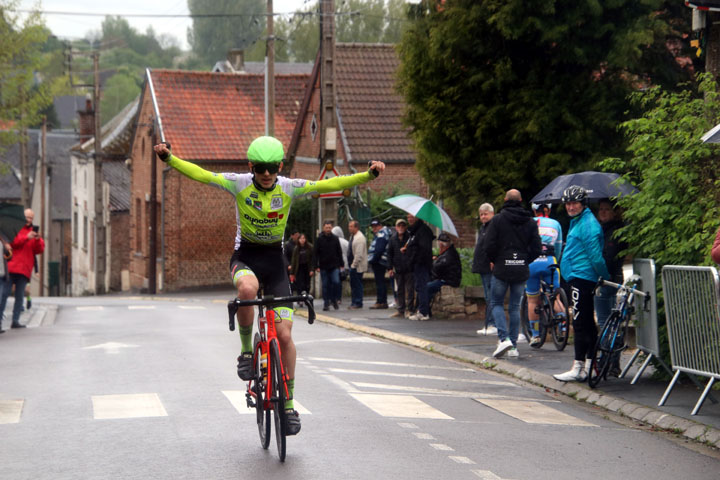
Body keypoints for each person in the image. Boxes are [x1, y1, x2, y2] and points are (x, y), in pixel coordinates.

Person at [153, 137, 385, 435]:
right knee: (247, 292)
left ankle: (287, 405)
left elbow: (325, 186)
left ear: (279, 167)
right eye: (260, 168)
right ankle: (247, 352)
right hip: (245, 258)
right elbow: (204, 175)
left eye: (272, 168)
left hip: (275, 263)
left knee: (285, 336)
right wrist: (170, 159)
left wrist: (369, 175)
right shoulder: (239, 184)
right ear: (251, 167)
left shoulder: (288, 187)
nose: (266, 174)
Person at [553, 186, 610, 382]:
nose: (570, 207)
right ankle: (589, 365)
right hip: (578, 276)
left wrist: (604, 276)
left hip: (583, 277)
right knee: (587, 323)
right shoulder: (578, 221)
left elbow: (595, 257)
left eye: (574, 203)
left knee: (579, 323)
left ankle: (578, 367)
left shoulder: (587, 225)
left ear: (583, 204)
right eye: (568, 203)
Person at [484, 189, 542, 359]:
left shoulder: (498, 220)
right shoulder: (530, 222)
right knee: (515, 307)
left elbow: (488, 245)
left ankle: (504, 339)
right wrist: (524, 259)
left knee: (496, 303)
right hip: (520, 268)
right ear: (521, 200)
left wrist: (496, 259)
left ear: (505, 200)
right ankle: (513, 347)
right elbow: (537, 248)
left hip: (502, 268)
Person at [526, 203, 564, 347]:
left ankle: (535, 335)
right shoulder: (556, 223)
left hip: (532, 262)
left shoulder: (529, 223)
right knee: (555, 297)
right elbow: (559, 246)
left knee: (532, 301)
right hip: (550, 261)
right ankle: (563, 328)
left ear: (535, 211)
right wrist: (556, 260)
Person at [0, 208, 45, 331]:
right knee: (4, 294)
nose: (28, 220)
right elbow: (12, 243)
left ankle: (15, 320)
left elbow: (39, 250)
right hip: (11, 267)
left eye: (31, 218)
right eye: (27, 217)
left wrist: (37, 240)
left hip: (24, 269)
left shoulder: (32, 231)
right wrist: (26, 237)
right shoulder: (15, 228)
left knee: (20, 296)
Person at [594, 199, 628, 329]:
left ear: (615, 212)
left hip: (609, 279)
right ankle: (612, 346)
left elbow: (609, 257)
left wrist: (600, 271)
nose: (602, 212)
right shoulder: (604, 229)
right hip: (610, 278)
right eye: (601, 209)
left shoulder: (615, 231)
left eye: (607, 209)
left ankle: (607, 348)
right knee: (610, 319)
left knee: (604, 320)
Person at [404, 214, 435, 321]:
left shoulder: (423, 231)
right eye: (408, 217)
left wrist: (415, 259)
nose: (409, 219)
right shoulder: (414, 231)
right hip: (416, 264)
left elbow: (423, 249)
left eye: (412, 217)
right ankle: (422, 310)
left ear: (418, 217)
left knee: (422, 287)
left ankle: (424, 312)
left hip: (421, 264)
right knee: (419, 287)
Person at [472, 203, 497, 335]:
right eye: (481, 214)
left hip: (489, 266)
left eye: (485, 214)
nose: (483, 216)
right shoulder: (484, 228)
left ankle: (492, 324)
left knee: (491, 296)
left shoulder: (492, 227)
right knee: (488, 295)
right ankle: (489, 323)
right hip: (483, 266)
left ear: (492, 214)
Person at [314, 220, 344, 312]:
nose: (328, 229)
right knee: (325, 285)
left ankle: (334, 299)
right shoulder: (319, 239)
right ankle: (326, 303)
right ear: (323, 228)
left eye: (329, 228)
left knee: (336, 282)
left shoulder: (335, 238)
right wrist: (316, 266)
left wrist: (341, 264)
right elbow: (316, 253)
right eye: (326, 228)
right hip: (324, 265)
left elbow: (339, 251)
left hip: (334, 265)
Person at [387, 218, 414, 318]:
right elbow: (389, 254)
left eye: (403, 226)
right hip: (398, 268)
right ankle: (401, 310)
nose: (401, 227)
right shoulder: (392, 239)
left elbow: (413, 252)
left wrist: (407, 251)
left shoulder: (410, 238)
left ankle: (410, 309)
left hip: (408, 268)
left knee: (410, 289)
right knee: (399, 290)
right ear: (396, 227)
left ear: (405, 227)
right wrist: (390, 268)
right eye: (399, 226)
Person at [427, 232, 462, 306]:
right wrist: (437, 258)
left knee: (427, 287)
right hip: (446, 279)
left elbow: (437, 268)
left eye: (439, 243)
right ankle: (422, 309)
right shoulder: (447, 252)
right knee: (424, 282)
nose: (439, 245)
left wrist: (434, 261)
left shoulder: (449, 254)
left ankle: (425, 310)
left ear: (442, 245)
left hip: (449, 280)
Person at [368, 219, 391, 309]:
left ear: (380, 225)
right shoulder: (383, 233)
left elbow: (379, 249)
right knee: (381, 281)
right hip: (381, 261)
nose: (374, 228)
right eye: (373, 226)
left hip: (379, 261)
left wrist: (374, 259)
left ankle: (381, 301)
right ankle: (382, 301)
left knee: (379, 282)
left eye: (376, 226)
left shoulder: (382, 234)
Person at [347, 220, 368, 309]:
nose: (349, 228)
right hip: (352, 265)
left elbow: (358, 255)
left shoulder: (359, 238)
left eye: (351, 226)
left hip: (357, 266)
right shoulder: (353, 236)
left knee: (357, 285)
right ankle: (354, 301)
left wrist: (353, 265)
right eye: (349, 226)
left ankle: (358, 302)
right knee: (353, 285)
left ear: (356, 227)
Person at [332, 225, 350, 303]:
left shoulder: (333, 241)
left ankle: (333, 297)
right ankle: (339, 298)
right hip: (344, 265)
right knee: (339, 282)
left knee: (333, 281)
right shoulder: (346, 242)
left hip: (335, 264)